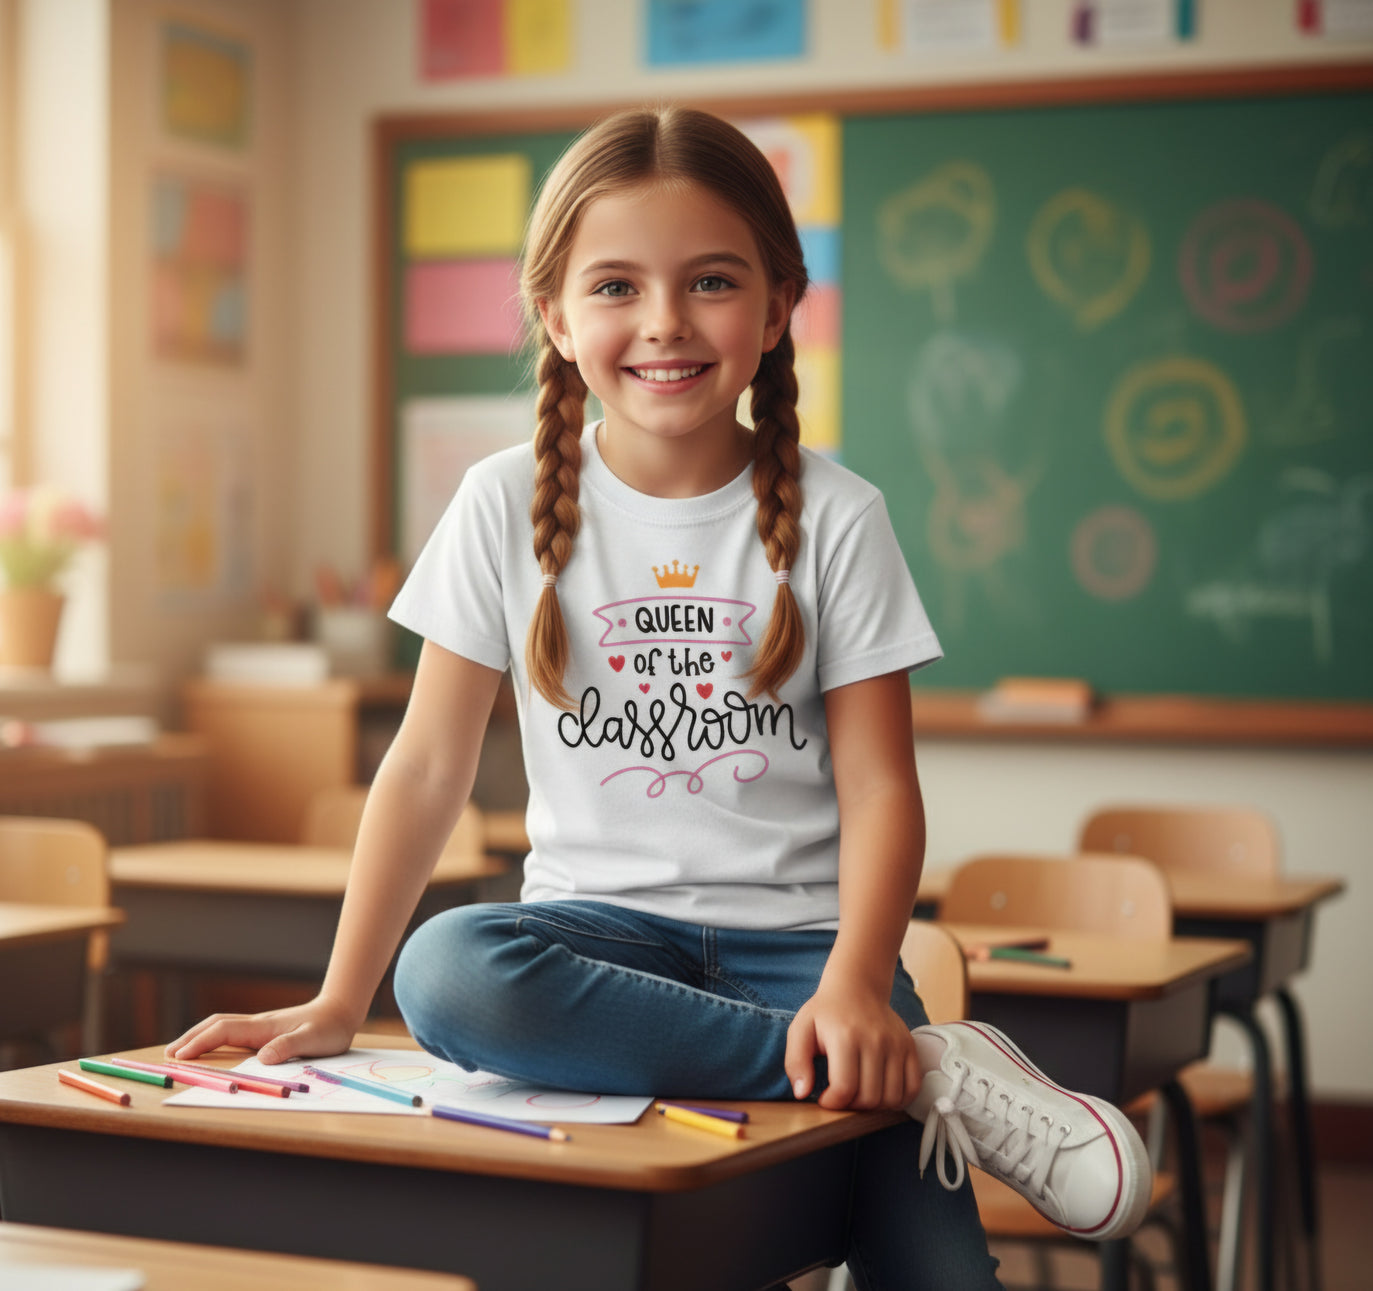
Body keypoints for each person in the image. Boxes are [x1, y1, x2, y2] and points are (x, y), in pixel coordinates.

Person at [168, 105, 1149, 1288]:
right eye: (617, 286)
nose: (664, 324)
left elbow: (881, 786)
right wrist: (336, 997)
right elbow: (426, 769)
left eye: (712, 282)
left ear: (779, 305)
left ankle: (872, 1049)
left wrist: (850, 988)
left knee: (934, 1278)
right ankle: (927, 1072)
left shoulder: (839, 516)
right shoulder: (498, 502)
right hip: (595, 949)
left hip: (807, 950)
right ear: (556, 314)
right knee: (443, 972)